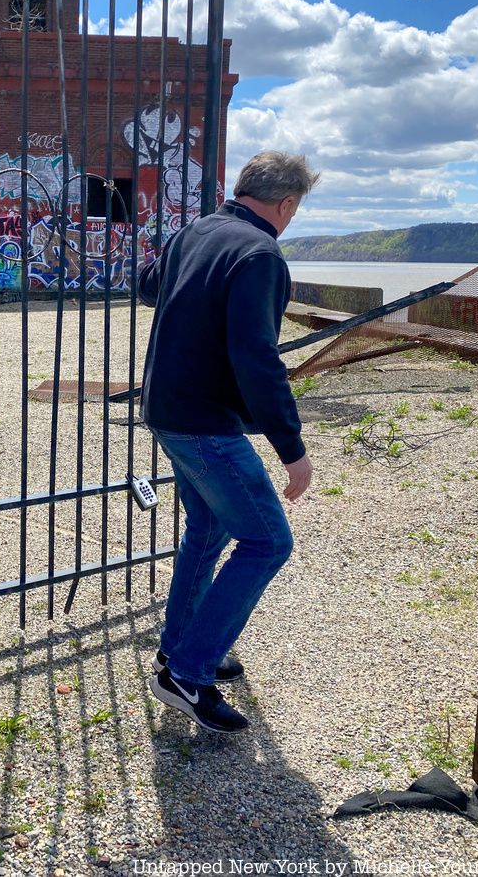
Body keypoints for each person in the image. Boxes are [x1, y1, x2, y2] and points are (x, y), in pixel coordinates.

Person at [139, 150, 319, 734]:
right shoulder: (260, 255)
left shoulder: (196, 232)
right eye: (296, 209)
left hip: (165, 410)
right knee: (267, 543)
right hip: (206, 423)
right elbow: (257, 360)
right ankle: (187, 674)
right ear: (286, 203)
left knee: (210, 529)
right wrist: (292, 448)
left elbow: (148, 286)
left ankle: (181, 650)